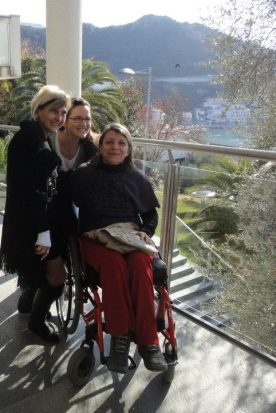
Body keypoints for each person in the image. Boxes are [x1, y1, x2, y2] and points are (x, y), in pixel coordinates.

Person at [70, 123, 168, 373]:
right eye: (109, 142)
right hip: (94, 237)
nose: (115, 147)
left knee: (138, 264)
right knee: (113, 264)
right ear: (100, 146)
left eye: (121, 143)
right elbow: (67, 205)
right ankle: (120, 339)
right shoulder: (84, 174)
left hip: (128, 236)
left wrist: (145, 233)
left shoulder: (137, 177)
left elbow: (151, 217)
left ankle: (148, 341)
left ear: (128, 150)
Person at [0, 85, 71, 343]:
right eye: (54, 111)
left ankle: (28, 304)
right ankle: (37, 323)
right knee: (57, 275)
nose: (59, 118)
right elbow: (31, 190)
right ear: (38, 110)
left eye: (63, 113)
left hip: (29, 218)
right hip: (32, 222)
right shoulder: (30, 140)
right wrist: (43, 231)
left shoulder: (35, 136)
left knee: (37, 272)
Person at [16, 98, 98, 316]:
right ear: (65, 120)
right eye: (78, 118)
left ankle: (42, 289)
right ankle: (30, 287)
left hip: (66, 205)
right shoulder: (47, 141)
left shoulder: (90, 148)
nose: (84, 123)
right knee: (40, 239)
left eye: (87, 119)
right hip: (42, 204)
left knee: (67, 233)